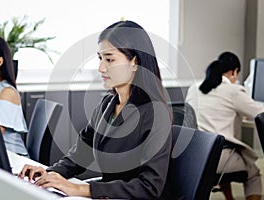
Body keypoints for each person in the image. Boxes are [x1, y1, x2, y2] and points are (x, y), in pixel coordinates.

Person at [19, 20, 173, 199]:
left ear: (134, 62)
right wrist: (49, 173)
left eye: (110, 59)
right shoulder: (108, 105)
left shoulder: (155, 114)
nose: (101, 68)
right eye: (100, 59)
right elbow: (80, 155)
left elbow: (149, 187)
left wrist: (81, 189)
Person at [186, 52, 264, 200]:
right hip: (219, 158)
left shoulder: (193, 88)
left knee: (228, 156)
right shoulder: (233, 90)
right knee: (253, 172)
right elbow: (262, 114)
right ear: (234, 72)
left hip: (193, 156)